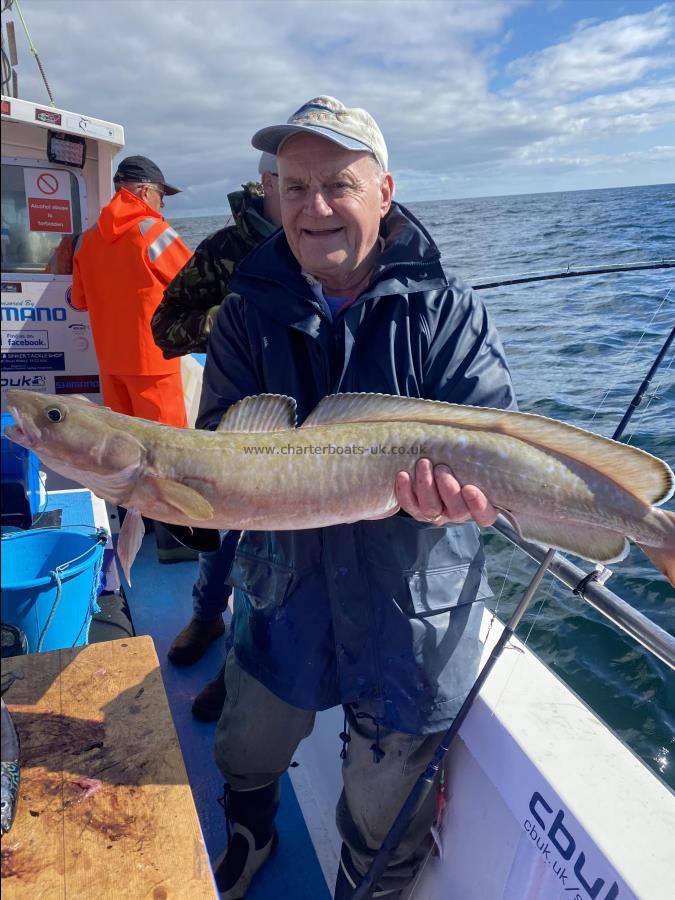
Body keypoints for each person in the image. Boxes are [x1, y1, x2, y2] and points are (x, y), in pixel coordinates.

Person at [197, 96, 516, 899]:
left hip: (410, 607)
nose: (315, 207)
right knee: (248, 741)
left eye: (338, 184)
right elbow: (216, 446)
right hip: (284, 591)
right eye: (295, 187)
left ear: (384, 192)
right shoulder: (244, 313)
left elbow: (492, 442)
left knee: (384, 799)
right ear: (273, 197)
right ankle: (250, 827)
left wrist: (456, 495)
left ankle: (364, 884)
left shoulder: (450, 313)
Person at [154, 154, 283, 724]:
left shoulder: (333, 250)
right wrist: (224, 319)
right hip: (238, 419)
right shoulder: (225, 249)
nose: (307, 200)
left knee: (274, 553)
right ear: (266, 184)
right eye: (288, 181)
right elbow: (164, 328)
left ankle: (238, 666)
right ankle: (208, 618)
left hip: (308, 431)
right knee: (224, 531)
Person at [71, 155, 196, 562]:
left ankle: (131, 537)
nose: (163, 205)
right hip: (154, 365)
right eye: (161, 195)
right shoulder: (151, 230)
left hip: (112, 368)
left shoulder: (88, 240)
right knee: (170, 458)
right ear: (142, 191)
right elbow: (196, 282)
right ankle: (176, 546)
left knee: (123, 458)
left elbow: (78, 299)